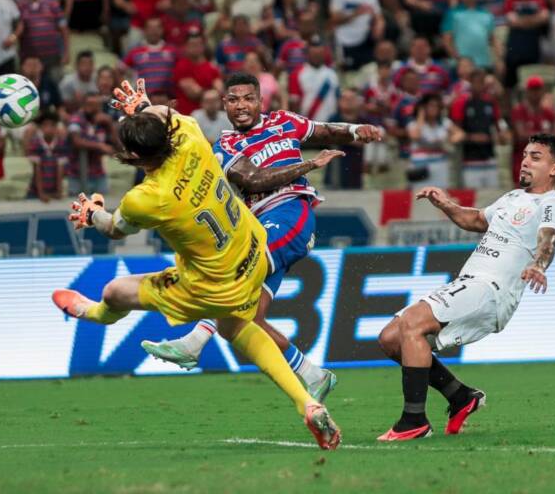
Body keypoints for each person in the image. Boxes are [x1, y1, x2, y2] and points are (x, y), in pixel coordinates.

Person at [53, 79, 342, 450]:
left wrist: (92, 212)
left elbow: (112, 230)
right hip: (252, 249)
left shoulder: (146, 198)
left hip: (213, 282)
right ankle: (308, 400)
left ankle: (92, 313)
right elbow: (162, 115)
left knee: (115, 292)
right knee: (236, 326)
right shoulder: (191, 135)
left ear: (137, 158)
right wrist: (142, 106)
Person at [142, 72, 383, 401]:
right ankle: (313, 375)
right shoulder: (224, 146)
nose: (241, 105)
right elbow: (255, 180)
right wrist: (308, 165)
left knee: (233, 268)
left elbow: (325, 131)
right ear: (224, 104)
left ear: (260, 101)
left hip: (289, 214)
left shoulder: (285, 121)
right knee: (242, 323)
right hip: (259, 227)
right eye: (233, 99)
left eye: (248, 98)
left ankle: (194, 341)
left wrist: (356, 130)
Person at [377, 133, 555, 441]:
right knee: (390, 338)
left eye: (536, 157)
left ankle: (413, 419)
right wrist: (445, 204)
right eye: (525, 155)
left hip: (492, 290)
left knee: (412, 324)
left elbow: (548, 238)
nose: (526, 161)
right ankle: (460, 396)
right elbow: (477, 220)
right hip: (470, 283)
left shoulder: (551, 204)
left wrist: (538, 264)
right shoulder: (513, 198)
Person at [450, 69, 508, 189]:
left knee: (491, 197)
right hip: (470, 160)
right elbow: (455, 132)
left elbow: (499, 128)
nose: (479, 85)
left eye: (481, 82)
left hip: (489, 158)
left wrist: (500, 136)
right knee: (473, 197)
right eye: (476, 82)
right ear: (470, 83)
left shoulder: (491, 102)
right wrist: (471, 137)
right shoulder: (462, 103)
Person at [510, 76, 555, 185]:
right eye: (533, 90)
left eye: (538, 90)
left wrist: (536, 134)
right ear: (527, 92)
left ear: (542, 91)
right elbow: (521, 135)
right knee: (522, 197)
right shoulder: (519, 111)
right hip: (522, 161)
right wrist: (546, 135)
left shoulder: (549, 113)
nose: (535, 93)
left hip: (543, 165)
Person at [406, 93, 464, 189]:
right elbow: (416, 136)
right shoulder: (413, 124)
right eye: (431, 106)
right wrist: (421, 116)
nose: (434, 109)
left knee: (440, 194)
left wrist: (447, 141)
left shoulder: (444, 123)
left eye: (436, 106)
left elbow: (460, 134)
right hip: (420, 167)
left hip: (440, 165)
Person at [16, 0, 70, 77]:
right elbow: (17, 31)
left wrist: (66, 52)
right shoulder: (20, 6)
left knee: (55, 87)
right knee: (29, 88)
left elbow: (64, 30)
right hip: (29, 58)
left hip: (52, 57)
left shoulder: (53, 4)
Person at [66, 92, 114, 195]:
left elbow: (117, 146)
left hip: (98, 174)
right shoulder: (76, 119)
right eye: (89, 104)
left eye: (95, 105)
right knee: (78, 208)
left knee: (102, 208)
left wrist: (110, 125)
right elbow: (76, 141)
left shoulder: (103, 122)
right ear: (83, 105)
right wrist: (99, 146)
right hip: (77, 175)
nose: (91, 108)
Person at [329, 0, 384, 71]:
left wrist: (379, 27)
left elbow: (379, 18)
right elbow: (334, 19)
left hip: (364, 41)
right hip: (343, 41)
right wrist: (356, 13)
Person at [120, 17, 177, 97]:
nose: (154, 31)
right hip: (144, 99)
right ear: (144, 30)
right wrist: (129, 92)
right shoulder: (135, 51)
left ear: (162, 30)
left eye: (157, 27)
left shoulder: (172, 51)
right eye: (150, 28)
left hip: (167, 99)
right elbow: (119, 71)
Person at [287, 34, 340, 122]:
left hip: (332, 125)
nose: (317, 56)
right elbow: (294, 104)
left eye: (319, 53)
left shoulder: (332, 74)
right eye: (314, 53)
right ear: (307, 53)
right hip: (309, 125)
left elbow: (338, 99)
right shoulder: (297, 74)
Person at [172, 29, 223, 116]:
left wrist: (210, 93)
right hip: (188, 115)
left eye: (199, 44)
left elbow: (220, 90)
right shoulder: (181, 66)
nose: (196, 47)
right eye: (192, 44)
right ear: (186, 46)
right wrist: (212, 93)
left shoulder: (211, 66)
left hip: (211, 116)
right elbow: (193, 93)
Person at [25, 110, 69, 202]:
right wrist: (41, 193)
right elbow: (37, 169)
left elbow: (60, 168)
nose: (49, 128)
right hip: (35, 192)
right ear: (41, 128)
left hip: (54, 190)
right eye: (45, 125)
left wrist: (59, 191)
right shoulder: (35, 143)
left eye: (52, 125)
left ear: (56, 127)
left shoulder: (61, 144)